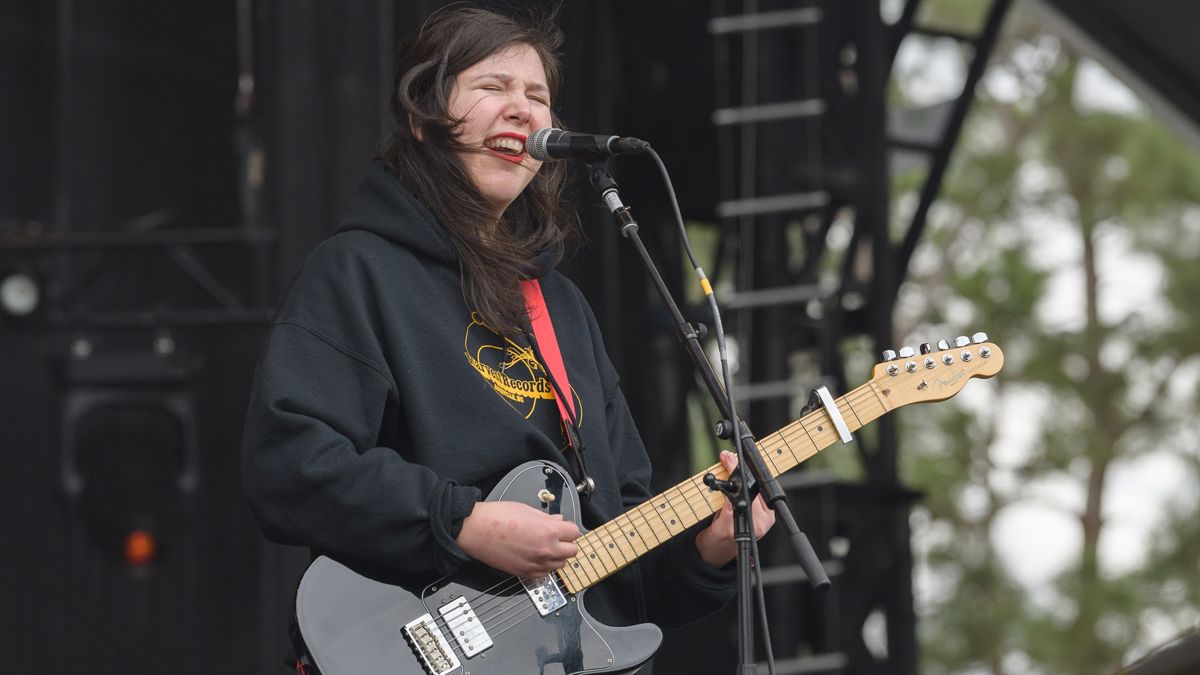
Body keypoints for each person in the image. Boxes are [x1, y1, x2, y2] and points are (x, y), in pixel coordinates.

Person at [241, 4, 774, 672]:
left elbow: (621, 574)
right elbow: (288, 467)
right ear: (421, 116)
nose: (522, 109)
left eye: (538, 95)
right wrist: (461, 521)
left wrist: (709, 551)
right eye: (493, 86)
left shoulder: (562, 310)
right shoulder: (358, 272)